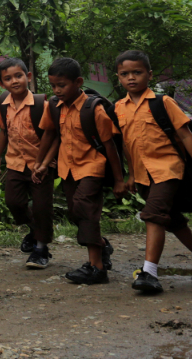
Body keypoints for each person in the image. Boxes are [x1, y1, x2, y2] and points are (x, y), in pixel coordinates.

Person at [112, 50, 192, 294]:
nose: (131, 78)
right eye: (124, 74)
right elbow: (128, 144)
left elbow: (186, 136)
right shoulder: (119, 108)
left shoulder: (163, 102)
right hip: (143, 174)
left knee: (153, 214)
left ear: (148, 75)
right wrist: (130, 175)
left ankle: (149, 272)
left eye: (137, 72)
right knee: (171, 220)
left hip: (169, 169)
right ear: (118, 77)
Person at [34, 57, 128, 285]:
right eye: (53, 86)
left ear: (78, 82)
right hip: (67, 169)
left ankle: (96, 268)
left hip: (92, 166)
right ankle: (102, 247)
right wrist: (41, 163)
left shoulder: (93, 109)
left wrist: (119, 180)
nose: (57, 90)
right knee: (75, 212)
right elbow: (50, 135)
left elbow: (110, 146)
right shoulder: (54, 107)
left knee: (84, 209)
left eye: (62, 85)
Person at [0, 57, 54, 269]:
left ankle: (41, 249)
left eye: (19, 76)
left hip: (40, 165)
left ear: (28, 76)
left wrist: (43, 163)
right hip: (15, 163)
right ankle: (35, 230)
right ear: (2, 84)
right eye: (8, 79)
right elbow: (4, 131)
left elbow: (50, 135)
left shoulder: (41, 105)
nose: (14, 81)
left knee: (42, 207)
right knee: (13, 202)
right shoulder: (3, 105)